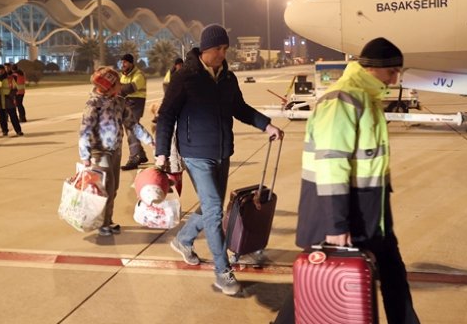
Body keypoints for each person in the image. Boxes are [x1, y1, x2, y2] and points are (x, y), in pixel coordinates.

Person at [296, 37, 420, 324]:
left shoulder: (368, 98)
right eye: (392, 72)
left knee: (393, 277)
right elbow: (331, 166)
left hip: (371, 216)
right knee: (319, 289)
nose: (395, 78)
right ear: (374, 69)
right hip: (342, 216)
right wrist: (336, 226)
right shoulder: (343, 99)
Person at [155, 24, 284, 296]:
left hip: (222, 152)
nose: (222, 54)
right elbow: (166, 115)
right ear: (205, 49)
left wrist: (267, 126)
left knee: (210, 208)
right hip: (195, 153)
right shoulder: (186, 77)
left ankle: (183, 239)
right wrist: (161, 153)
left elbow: (240, 108)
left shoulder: (228, 78)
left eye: (225, 49)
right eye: (218, 49)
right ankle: (222, 272)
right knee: (214, 212)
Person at [79, 67, 155, 236]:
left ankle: (108, 220)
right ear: (108, 86)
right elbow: (85, 130)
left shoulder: (119, 101)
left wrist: (150, 140)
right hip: (100, 152)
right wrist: (85, 155)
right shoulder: (94, 104)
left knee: (113, 188)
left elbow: (132, 124)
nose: (120, 85)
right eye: (117, 83)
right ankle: (102, 224)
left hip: (115, 151)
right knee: (105, 187)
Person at [118, 53, 148, 170]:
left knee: (132, 130)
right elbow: (122, 89)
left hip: (136, 104)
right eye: (122, 62)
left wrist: (119, 87)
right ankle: (141, 155)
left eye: (125, 62)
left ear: (131, 63)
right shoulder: (123, 75)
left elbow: (130, 88)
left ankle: (134, 157)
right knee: (133, 129)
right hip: (126, 104)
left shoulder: (139, 74)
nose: (123, 64)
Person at [0, 64, 23, 137]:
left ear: (4, 70)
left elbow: (15, 88)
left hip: (8, 100)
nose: (0, 71)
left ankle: (18, 130)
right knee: (2, 118)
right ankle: (4, 131)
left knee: (13, 116)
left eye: (2, 69)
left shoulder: (10, 78)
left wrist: (10, 95)